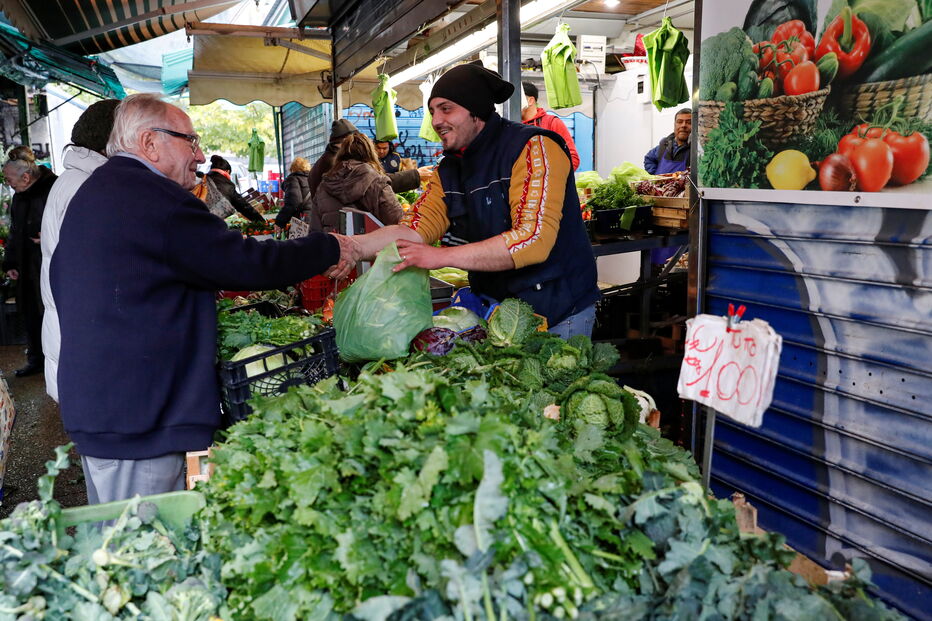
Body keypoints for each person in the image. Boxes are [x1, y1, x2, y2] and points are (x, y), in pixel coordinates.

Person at [51, 93, 361, 504]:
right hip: (138, 415)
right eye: (189, 141)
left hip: (114, 406)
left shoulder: (106, 191)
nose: (199, 155)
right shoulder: (148, 199)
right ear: (148, 143)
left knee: (116, 541)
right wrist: (336, 247)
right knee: (142, 551)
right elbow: (246, 262)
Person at [335, 63, 599, 339]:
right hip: (498, 312)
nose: (436, 121)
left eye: (446, 108)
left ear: (476, 111)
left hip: (558, 311)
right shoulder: (450, 169)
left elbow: (533, 240)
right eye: (432, 111)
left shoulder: (535, 147)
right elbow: (412, 230)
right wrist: (352, 247)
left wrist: (439, 256)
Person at [41, 98, 120, 401]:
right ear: (114, 141)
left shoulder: (77, 179)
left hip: (75, 340)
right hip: (83, 347)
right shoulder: (85, 187)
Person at [3, 146, 57, 377]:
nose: (8, 183)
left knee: (51, 312)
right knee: (31, 313)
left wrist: (50, 236)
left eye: (9, 179)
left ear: (26, 176)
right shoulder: (19, 197)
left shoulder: (53, 189)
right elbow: (15, 232)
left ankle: (57, 360)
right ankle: (36, 359)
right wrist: (11, 263)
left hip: (49, 263)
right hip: (26, 264)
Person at [309, 119, 432, 200]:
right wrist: (415, 175)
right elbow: (375, 183)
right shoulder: (337, 163)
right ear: (348, 141)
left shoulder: (325, 160)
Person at [313, 133, 404, 233]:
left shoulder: (323, 186)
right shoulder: (378, 183)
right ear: (370, 153)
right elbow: (399, 222)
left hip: (333, 246)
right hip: (371, 247)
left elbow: (315, 230)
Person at [521, 82, 580, 171]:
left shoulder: (552, 123)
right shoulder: (511, 126)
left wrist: (551, 177)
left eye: (517, 97)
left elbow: (572, 158)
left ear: (530, 101)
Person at [205, 155, 264, 222]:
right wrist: (261, 221)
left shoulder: (204, 179)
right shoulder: (225, 184)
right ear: (227, 171)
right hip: (212, 221)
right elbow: (243, 206)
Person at [644, 108, 692, 174]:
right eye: (679, 122)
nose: (683, 125)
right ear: (674, 125)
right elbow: (649, 158)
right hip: (660, 184)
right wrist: (654, 175)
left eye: (689, 122)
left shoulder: (697, 150)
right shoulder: (664, 145)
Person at [274, 156, 312, 229]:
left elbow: (293, 202)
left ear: (292, 169)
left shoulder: (292, 180)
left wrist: (280, 222)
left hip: (303, 221)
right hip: (315, 221)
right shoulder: (313, 179)